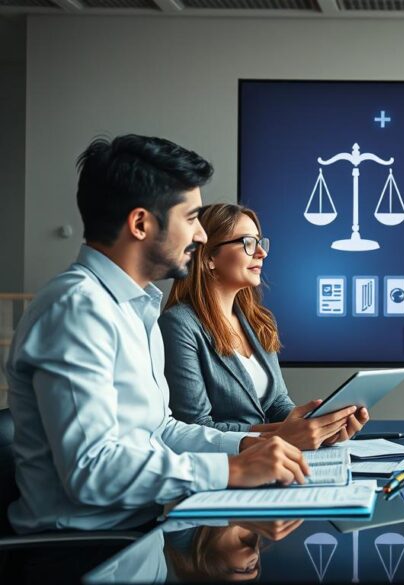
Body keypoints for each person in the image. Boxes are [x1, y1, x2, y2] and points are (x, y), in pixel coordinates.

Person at [4, 135, 311, 536]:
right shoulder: (77, 309)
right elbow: (90, 470)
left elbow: (160, 431)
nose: (200, 236)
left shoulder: (135, 307)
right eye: (191, 219)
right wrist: (231, 469)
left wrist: (245, 446)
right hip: (82, 549)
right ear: (140, 223)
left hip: (139, 533)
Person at [160, 203, 368, 449]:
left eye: (260, 242)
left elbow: (277, 403)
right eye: (248, 242)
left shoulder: (258, 321)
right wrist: (284, 434)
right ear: (208, 258)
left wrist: (318, 427)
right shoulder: (179, 324)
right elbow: (194, 426)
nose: (261, 253)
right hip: (227, 466)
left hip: (271, 457)